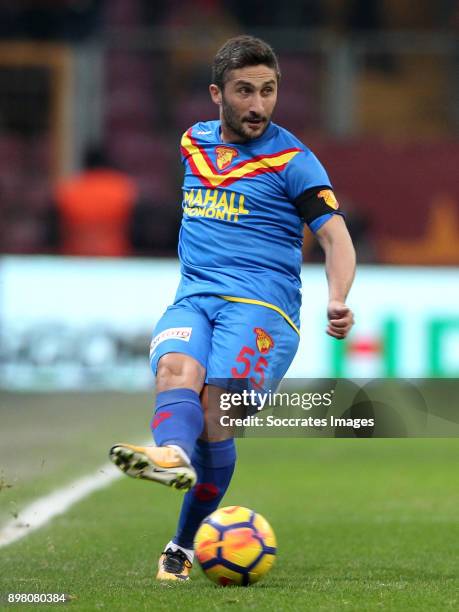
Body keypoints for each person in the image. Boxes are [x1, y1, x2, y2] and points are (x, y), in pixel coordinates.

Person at [109, 35, 356, 581]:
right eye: (245, 91)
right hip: (194, 297)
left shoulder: (294, 160)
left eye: (267, 92)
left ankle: (180, 544)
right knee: (176, 371)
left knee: (216, 418)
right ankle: (169, 455)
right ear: (217, 93)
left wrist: (337, 297)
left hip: (263, 311)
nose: (258, 105)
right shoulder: (192, 143)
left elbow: (337, 238)